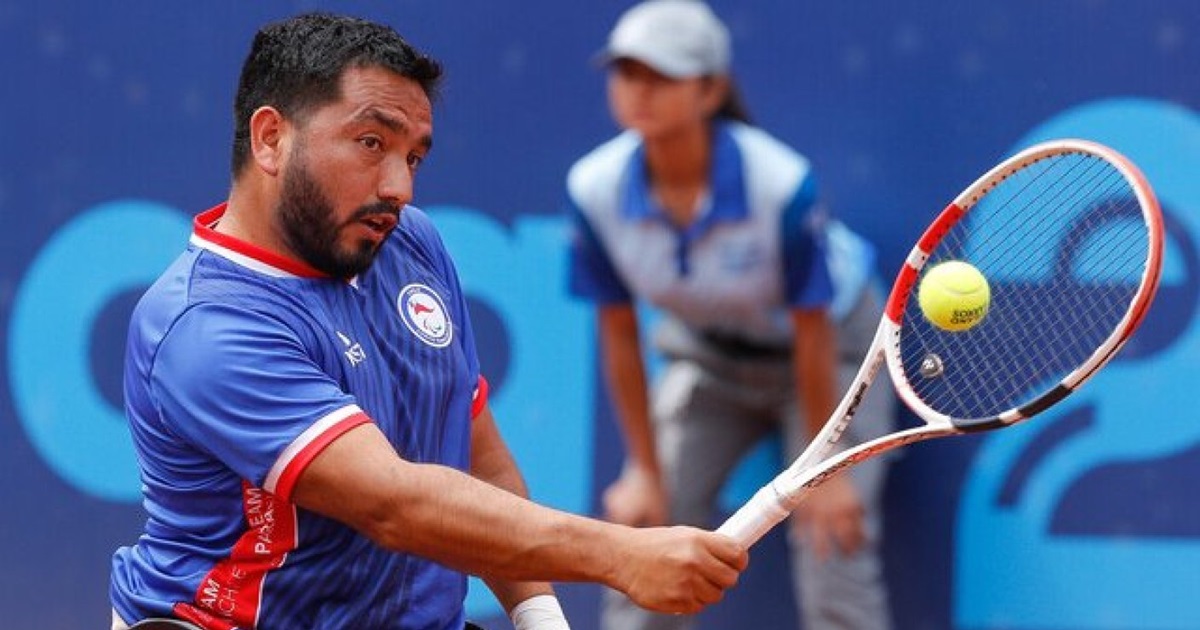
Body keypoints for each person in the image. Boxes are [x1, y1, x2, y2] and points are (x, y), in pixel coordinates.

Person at [108, 12, 749, 630]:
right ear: (272, 138)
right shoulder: (207, 324)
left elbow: (475, 450)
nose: (400, 187)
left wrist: (540, 616)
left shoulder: (408, 242)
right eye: (370, 143)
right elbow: (394, 504)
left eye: (413, 157)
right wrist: (620, 556)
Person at [564, 1, 895, 629]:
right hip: (708, 362)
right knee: (646, 538)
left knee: (833, 547)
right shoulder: (594, 189)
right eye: (626, 73)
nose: (639, 91)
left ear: (710, 88)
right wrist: (643, 467)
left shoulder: (780, 185)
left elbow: (813, 330)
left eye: (661, 75)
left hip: (835, 360)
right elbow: (618, 333)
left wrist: (824, 471)